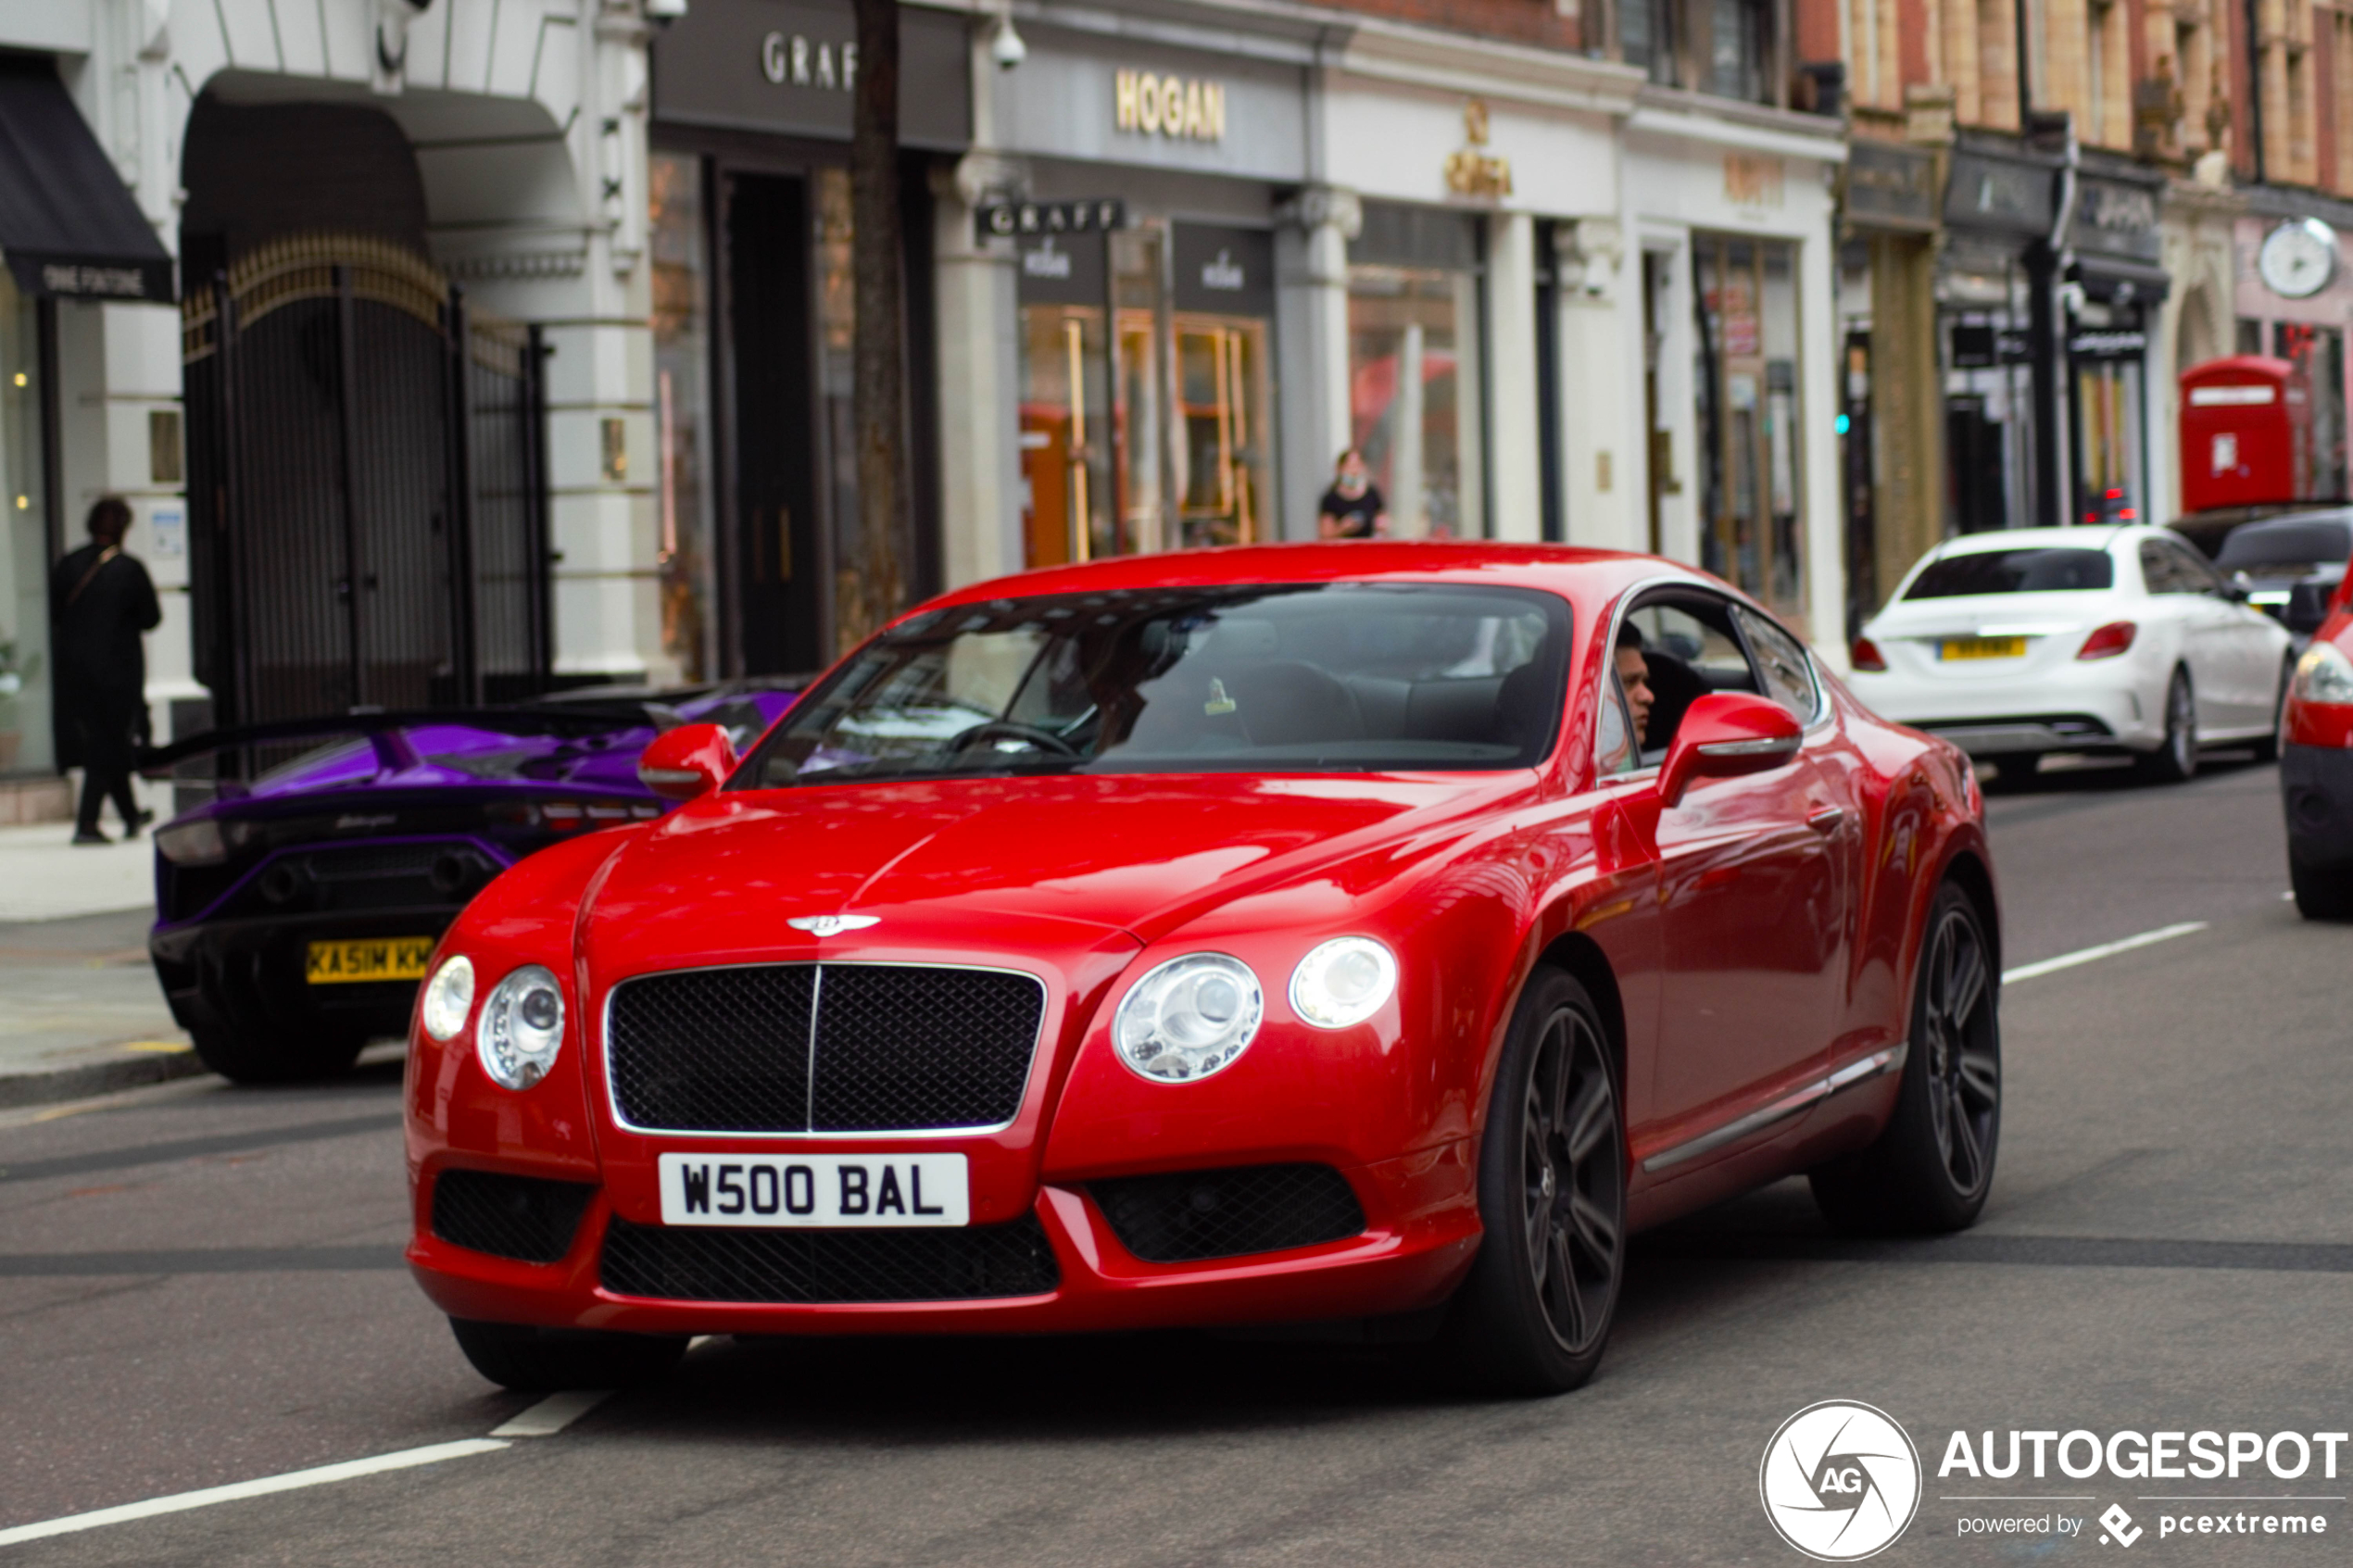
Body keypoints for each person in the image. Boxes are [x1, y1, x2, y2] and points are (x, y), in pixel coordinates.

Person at [51, 497, 159, 845]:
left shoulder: (68, 564)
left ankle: (129, 815)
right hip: (117, 672)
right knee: (107, 742)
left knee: (107, 741)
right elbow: (151, 618)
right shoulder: (129, 569)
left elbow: (54, 613)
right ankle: (87, 823)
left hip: (73, 671)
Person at [1316, 448, 1390, 539]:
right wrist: (1342, 528)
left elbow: (1382, 519)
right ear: (1340, 469)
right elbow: (1325, 534)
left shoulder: (1372, 494)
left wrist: (1381, 526)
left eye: (1357, 466)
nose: (1354, 471)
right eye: (1350, 466)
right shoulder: (1331, 498)